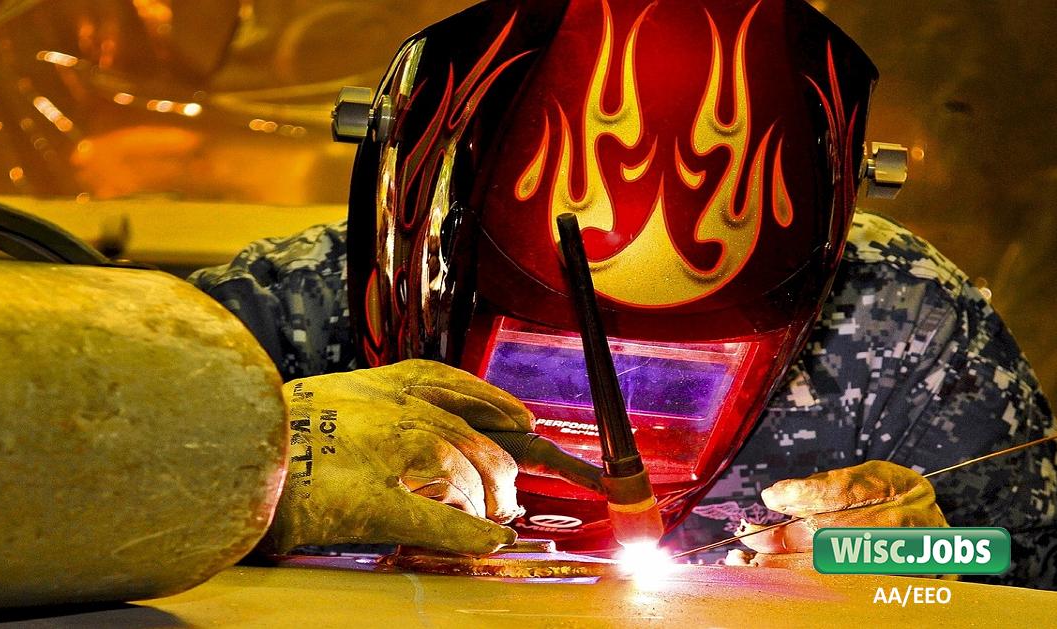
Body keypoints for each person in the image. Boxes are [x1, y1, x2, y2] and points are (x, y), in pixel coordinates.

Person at [189, 0, 1056, 590]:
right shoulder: (292, 312)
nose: (606, 447)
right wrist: (251, 468)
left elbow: (1015, 569)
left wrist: (928, 572)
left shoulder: (905, 332)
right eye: (538, 365)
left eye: (676, 376)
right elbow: (57, 492)